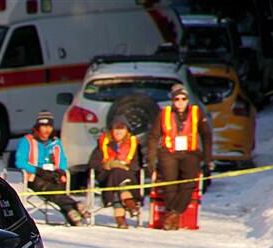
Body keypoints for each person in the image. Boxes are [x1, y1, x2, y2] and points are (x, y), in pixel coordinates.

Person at [147, 83, 213, 230]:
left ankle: (173, 213)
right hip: (168, 152)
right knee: (169, 182)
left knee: (189, 181)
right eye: (177, 99)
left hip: (190, 152)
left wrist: (208, 158)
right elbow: (153, 136)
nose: (180, 102)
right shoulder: (164, 113)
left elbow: (206, 135)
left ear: (187, 99)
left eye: (183, 99)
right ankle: (173, 217)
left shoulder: (196, 112)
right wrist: (151, 159)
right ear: (172, 100)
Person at [16, 110, 88, 226]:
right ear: (38, 127)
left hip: (53, 175)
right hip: (35, 177)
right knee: (54, 190)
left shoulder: (55, 142)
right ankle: (74, 206)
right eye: (43, 126)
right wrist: (39, 171)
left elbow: (63, 160)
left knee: (57, 188)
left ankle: (72, 213)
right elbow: (20, 162)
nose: (46, 130)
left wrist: (60, 171)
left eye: (49, 126)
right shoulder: (27, 141)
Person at [88, 115, 143, 229]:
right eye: (116, 128)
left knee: (118, 174)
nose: (118, 131)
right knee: (115, 173)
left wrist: (124, 166)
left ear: (127, 130)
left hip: (128, 177)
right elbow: (93, 163)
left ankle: (120, 218)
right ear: (111, 130)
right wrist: (107, 165)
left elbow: (138, 164)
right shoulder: (103, 143)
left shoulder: (134, 145)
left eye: (122, 128)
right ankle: (129, 202)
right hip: (107, 177)